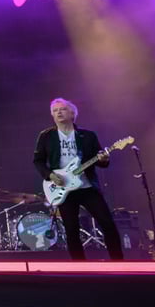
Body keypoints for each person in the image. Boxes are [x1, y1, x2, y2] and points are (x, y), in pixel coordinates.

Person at [33, 98, 123, 260]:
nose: (58, 112)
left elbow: (100, 160)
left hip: (87, 187)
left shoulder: (87, 136)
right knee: (71, 229)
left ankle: (118, 262)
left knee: (107, 223)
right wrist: (51, 175)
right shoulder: (46, 136)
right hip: (63, 188)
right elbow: (38, 161)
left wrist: (104, 159)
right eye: (55, 110)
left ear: (72, 113)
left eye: (62, 109)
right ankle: (79, 265)